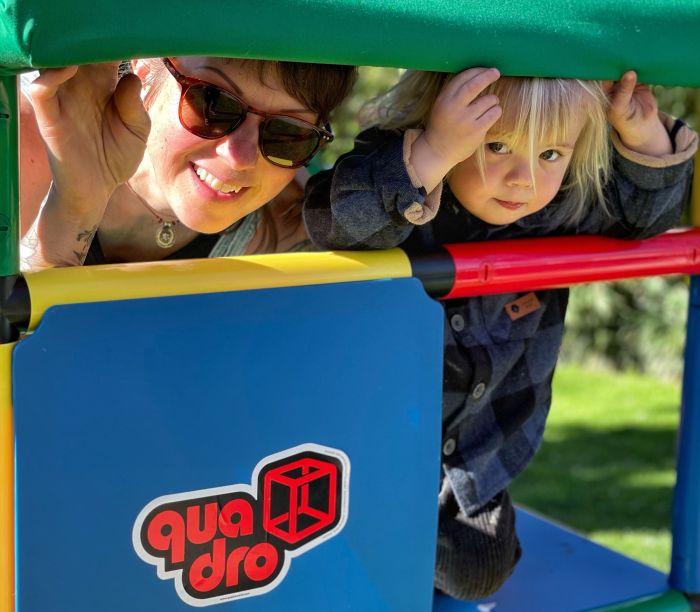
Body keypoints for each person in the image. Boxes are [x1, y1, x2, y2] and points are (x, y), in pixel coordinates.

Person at [304, 67, 698, 599]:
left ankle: (392, 542)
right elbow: (335, 223)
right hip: (371, 441)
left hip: (472, 461)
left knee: (479, 570)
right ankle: (362, 536)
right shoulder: (406, 172)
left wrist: (643, 136)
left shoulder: (558, 210)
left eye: (550, 155)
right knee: (324, 556)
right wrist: (435, 151)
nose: (524, 179)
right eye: (496, 146)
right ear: (439, 120)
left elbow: (641, 218)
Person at [19, 57, 357, 269]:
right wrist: (74, 208)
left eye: (288, 133)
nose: (239, 157)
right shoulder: (20, 144)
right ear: (143, 66)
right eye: (214, 103)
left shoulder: (291, 231)